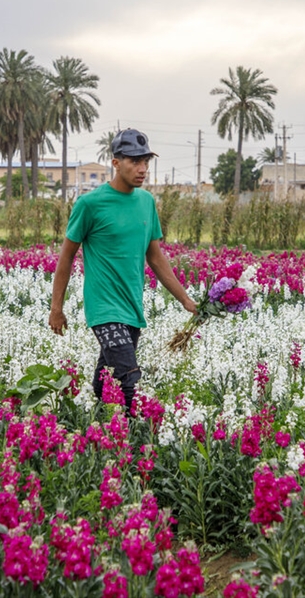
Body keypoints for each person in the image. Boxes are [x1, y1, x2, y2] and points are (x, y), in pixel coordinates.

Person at [49, 128, 196, 412]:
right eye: (135, 161)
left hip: (132, 308)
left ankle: (89, 421)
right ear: (116, 163)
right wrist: (57, 308)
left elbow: (155, 258)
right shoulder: (89, 204)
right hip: (103, 309)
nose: (142, 169)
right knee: (129, 379)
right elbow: (66, 257)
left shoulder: (146, 202)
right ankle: (136, 432)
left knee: (106, 378)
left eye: (146, 162)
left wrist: (185, 300)